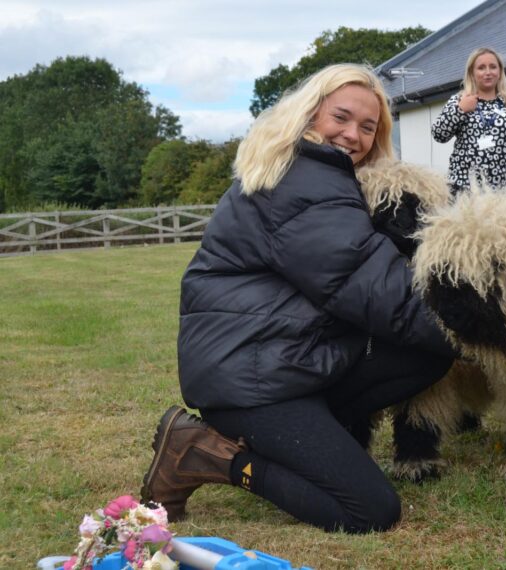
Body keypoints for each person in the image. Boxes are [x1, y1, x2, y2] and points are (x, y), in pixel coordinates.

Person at [140, 64, 456, 533]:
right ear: (309, 114)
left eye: (368, 127)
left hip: (287, 359)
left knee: (426, 355)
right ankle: (211, 456)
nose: (353, 135)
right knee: (370, 511)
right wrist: (482, 329)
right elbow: (379, 292)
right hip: (251, 381)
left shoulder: (318, 173)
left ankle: (316, 437)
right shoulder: (306, 183)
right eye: (341, 118)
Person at [431, 47, 506, 193]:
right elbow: (438, 134)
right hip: (464, 189)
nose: (488, 72)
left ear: (500, 72)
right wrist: (460, 110)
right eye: (481, 68)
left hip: (502, 191)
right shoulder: (460, 100)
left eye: (493, 67)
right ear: (472, 73)